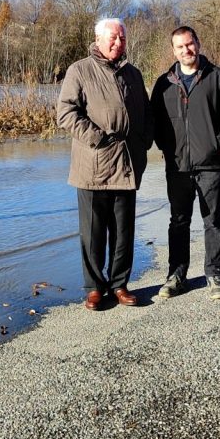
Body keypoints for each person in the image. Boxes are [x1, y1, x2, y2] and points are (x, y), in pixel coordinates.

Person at [57, 18, 153, 311]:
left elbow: (146, 113)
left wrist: (144, 141)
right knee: (93, 231)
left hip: (127, 163)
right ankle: (95, 288)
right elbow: (65, 112)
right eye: (112, 38)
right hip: (93, 164)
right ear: (98, 39)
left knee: (123, 230)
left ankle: (120, 284)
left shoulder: (133, 74)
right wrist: (97, 138)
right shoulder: (80, 70)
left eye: (122, 38)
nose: (118, 43)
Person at [151, 26, 220, 300]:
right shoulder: (164, 83)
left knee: (212, 219)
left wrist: (216, 145)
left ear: (198, 44)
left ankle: (215, 275)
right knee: (178, 221)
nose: (186, 50)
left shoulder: (218, 77)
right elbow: (154, 121)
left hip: (211, 165)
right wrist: (167, 148)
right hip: (177, 166)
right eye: (180, 47)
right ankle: (176, 275)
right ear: (173, 50)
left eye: (189, 44)